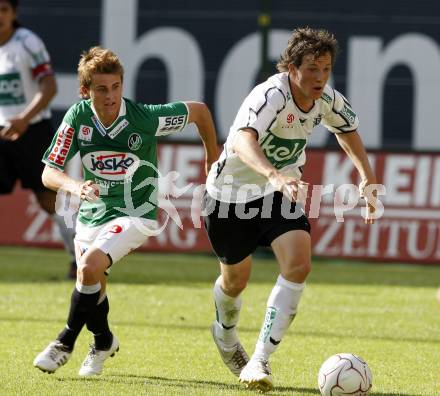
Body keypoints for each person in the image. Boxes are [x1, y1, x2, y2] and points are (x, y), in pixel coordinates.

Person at [203, 27, 377, 392]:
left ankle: (259, 360)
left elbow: (347, 130)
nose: (319, 77)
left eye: (326, 68)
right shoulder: (270, 95)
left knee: (299, 263)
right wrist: (272, 174)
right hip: (228, 197)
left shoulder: (326, 99)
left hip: (278, 193)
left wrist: (367, 177)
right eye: (312, 68)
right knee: (235, 282)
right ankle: (224, 331)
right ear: (292, 68)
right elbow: (241, 139)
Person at [33, 46, 218, 376]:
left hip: (137, 213)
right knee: (91, 284)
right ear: (85, 91)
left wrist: (211, 156)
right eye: (101, 89)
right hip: (93, 214)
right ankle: (103, 341)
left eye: (116, 87)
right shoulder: (78, 117)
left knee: (88, 266)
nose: (110, 96)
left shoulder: (144, 118)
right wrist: (77, 187)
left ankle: (64, 341)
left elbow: (200, 112)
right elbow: (49, 172)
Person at [0, 0, 77, 278]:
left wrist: (23, 117)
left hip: (32, 129)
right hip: (2, 131)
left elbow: (50, 85)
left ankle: (79, 257)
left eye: (4, 10)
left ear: (14, 13)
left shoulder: (27, 43)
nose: (0, 16)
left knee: (49, 200)